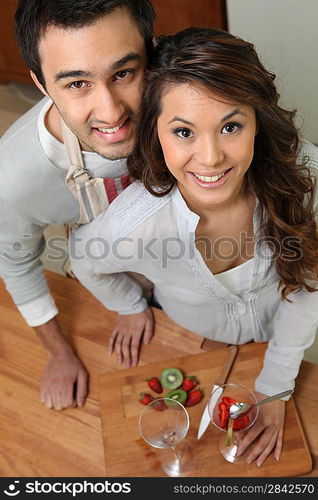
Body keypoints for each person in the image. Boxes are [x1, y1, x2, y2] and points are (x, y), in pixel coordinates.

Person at [70, 27, 318, 466]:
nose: (210, 158)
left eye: (230, 126)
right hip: (187, 341)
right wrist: (128, 305)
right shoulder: (135, 224)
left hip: (285, 343)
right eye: (183, 132)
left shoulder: (306, 180)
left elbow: (310, 286)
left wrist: (277, 383)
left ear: (258, 121)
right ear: (156, 133)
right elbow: (83, 260)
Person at [0, 0, 156, 411]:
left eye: (124, 73)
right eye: (76, 84)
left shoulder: (189, 96)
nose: (111, 112)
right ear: (41, 84)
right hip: (112, 280)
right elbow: (17, 265)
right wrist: (58, 352)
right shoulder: (13, 176)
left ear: (152, 52)